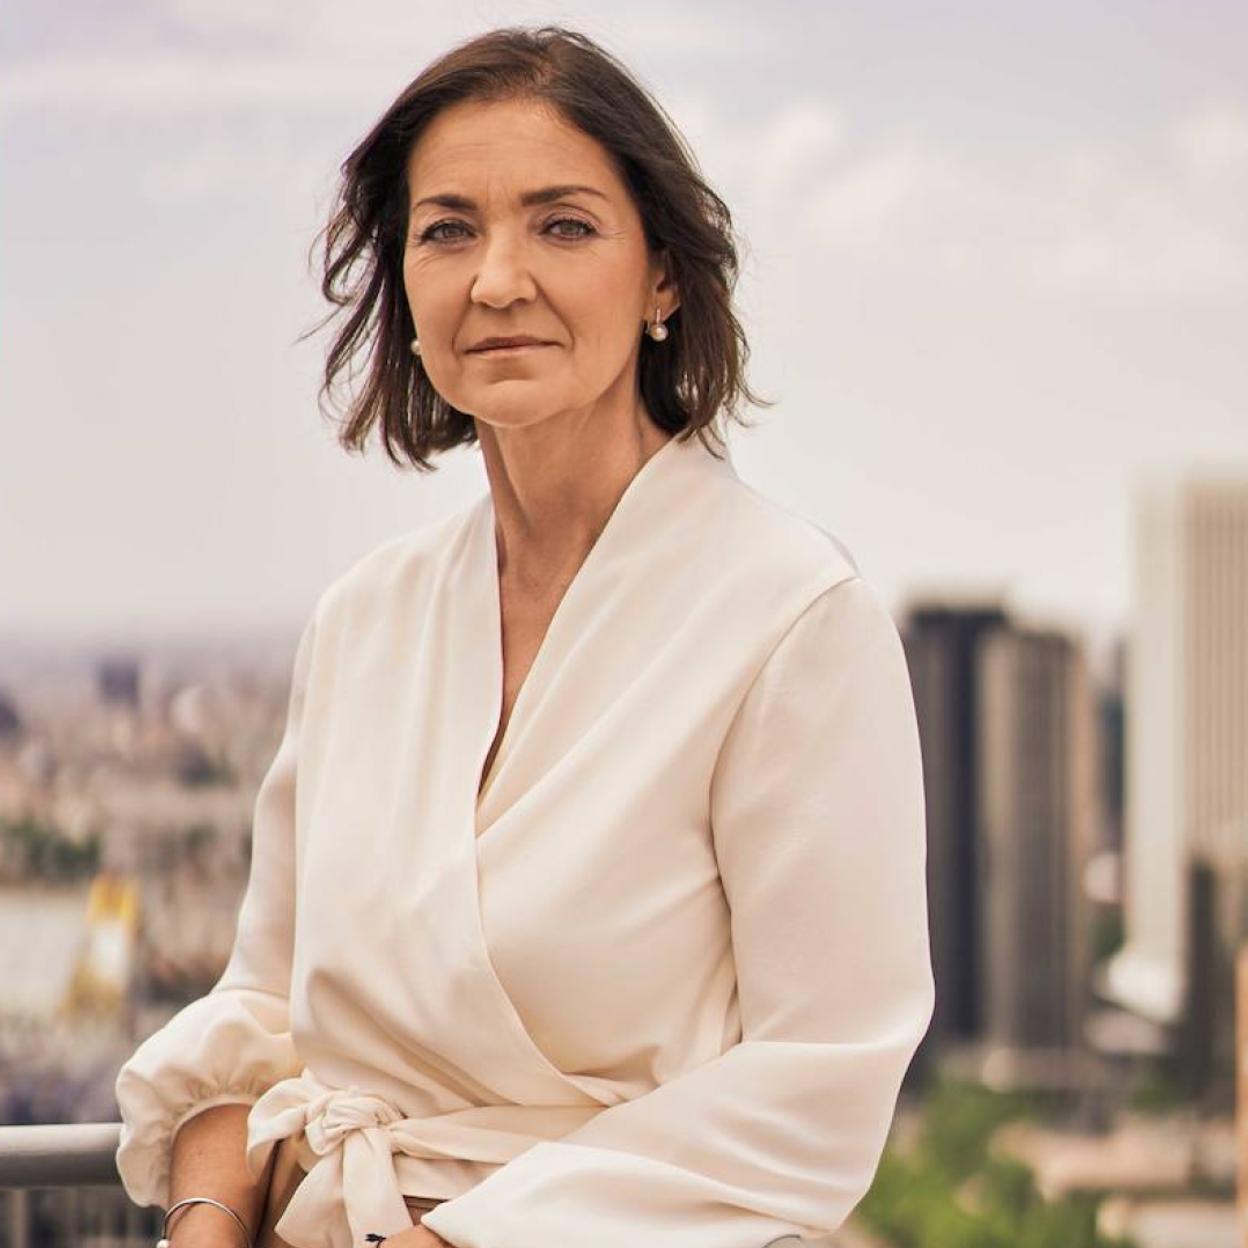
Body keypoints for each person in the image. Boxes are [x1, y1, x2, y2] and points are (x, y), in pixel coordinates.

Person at [113, 24, 935, 1248]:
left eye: (563, 224)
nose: (498, 279)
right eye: (449, 229)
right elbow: (267, 1007)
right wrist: (203, 1222)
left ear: (664, 277)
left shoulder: (793, 621)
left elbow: (819, 1088)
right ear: (405, 282)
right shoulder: (365, 623)